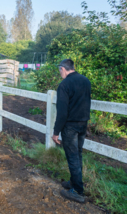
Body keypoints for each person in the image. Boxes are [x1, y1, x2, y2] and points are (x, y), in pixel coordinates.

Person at [52, 59, 91, 203]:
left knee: (72, 157)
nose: (60, 73)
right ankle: (74, 182)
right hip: (83, 123)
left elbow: (62, 112)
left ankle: (78, 191)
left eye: (59, 71)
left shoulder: (64, 85)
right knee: (78, 154)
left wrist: (56, 132)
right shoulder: (85, 80)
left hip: (70, 126)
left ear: (63, 69)